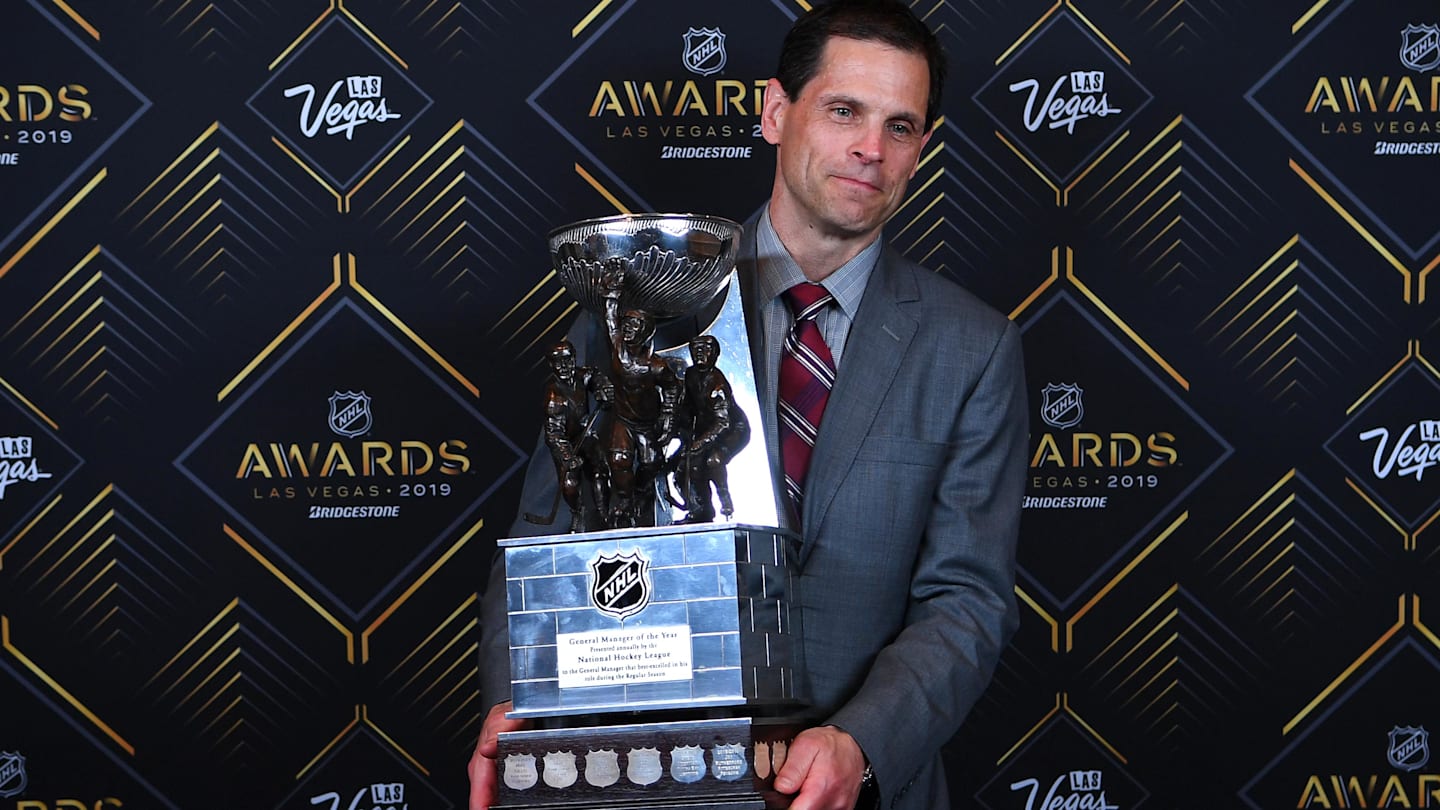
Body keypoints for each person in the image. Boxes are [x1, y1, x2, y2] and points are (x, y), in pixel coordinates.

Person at [470, 1, 1026, 809]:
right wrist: (519, 703)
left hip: (848, 790)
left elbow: (968, 599)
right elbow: (545, 539)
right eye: (844, 112)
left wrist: (862, 744)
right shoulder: (643, 304)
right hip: (642, 779)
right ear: (775, 112)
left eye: (900, 128)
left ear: (920, 152)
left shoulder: (974, 349)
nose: (870, 149)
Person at [677, 334, 750, 523]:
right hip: (706, 425)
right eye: (695, 349)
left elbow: (723, 423)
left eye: (705, 349)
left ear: (715, 354)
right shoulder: (691, 374)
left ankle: (725, 499)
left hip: (734, 429)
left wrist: (699, 443)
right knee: (689, 464)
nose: (699, 353)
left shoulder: (718, 385)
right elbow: (688, 405)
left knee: (713, 460)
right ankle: (701, 509)